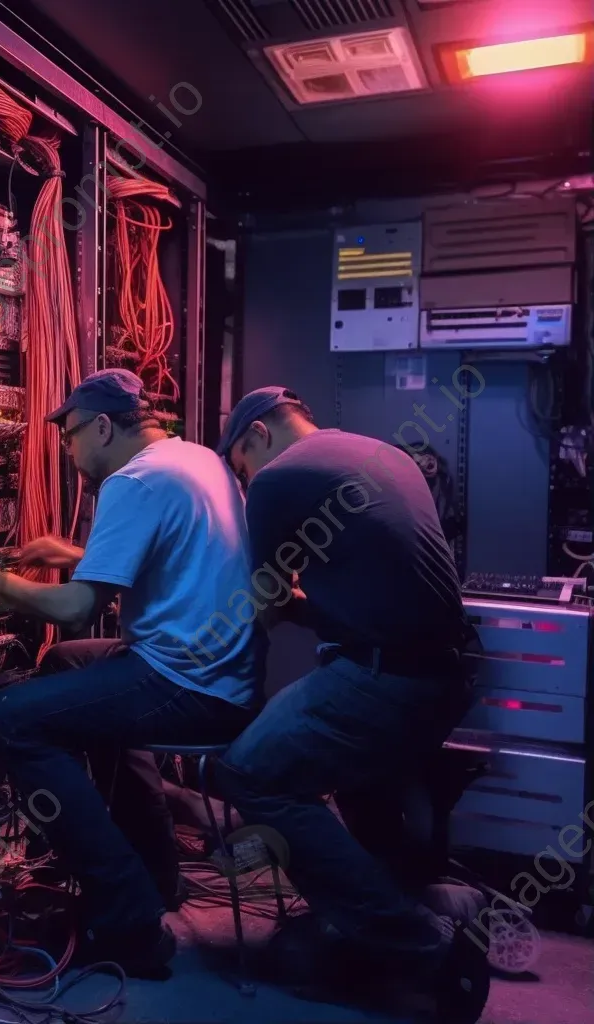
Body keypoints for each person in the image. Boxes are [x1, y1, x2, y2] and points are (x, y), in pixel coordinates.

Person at [0, 369, 259, 977]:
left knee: (10, 720)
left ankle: (127, 916)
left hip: (188, 685)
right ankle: (155, 871)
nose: (67, 449)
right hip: (222, 673)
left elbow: (78, 608)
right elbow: (172, 557)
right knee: (67, 664)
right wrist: (78, 555)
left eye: (72, 434)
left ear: (105, 426)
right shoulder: (192, 459)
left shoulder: (134, 481)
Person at [212, 386, 488, 1022]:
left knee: (250, 772)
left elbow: (268, 607)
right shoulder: (380, 454)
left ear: (253, 437)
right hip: (444, 676)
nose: (246, 478)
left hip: (385, 680)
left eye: (240, 466)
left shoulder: (278, 480)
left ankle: (423, 948)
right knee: (354, 781)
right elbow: (369, 592)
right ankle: (378, 922)